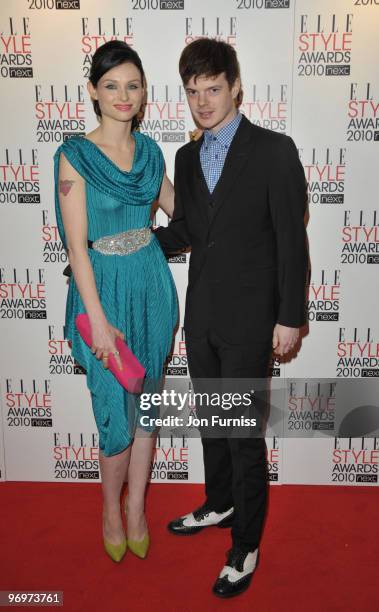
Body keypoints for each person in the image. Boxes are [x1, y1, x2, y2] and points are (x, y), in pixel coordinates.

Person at [154, 39, 308, 598]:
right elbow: (189, 232)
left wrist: (289, 316)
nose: (203, 102)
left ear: (236, 86)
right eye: (193, 92)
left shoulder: (273, 150)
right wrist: (126, 245)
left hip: (252, 321)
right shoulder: (187, 159)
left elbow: (292, 238)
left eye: (212, 89)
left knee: (242, 434)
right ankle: (219, 503)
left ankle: (245, 544)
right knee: (213, 423)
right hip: (202, 318)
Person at [54, 40, 177, 563]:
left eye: (132, 85)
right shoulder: (74, 156)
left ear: (144, 92)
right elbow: (76, 250)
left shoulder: (150, 152)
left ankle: (137, 511)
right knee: (114, 415)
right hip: (100, 295)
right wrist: (98, 324)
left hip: (151, 288)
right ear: (93, 92)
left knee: (147, 409)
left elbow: (182, 210)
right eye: (111, 86)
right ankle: (110, 509)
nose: (123, 95)